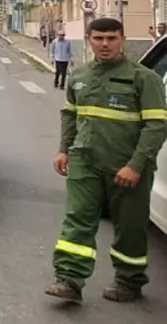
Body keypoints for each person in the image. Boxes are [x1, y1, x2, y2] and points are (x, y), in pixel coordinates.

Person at [44, 17, 167, 303]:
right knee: (77, 220)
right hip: (85, 161)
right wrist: (64, 149)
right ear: (89, 39)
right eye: (99, 38)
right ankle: (69, 280)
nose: (105, 44)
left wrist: (136, 165)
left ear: (122, 39)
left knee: (130, 227)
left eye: (112, 38)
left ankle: (129, 280)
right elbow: (70, 115)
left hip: (127, 166)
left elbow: (156, 126)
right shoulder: (79, 76)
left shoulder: (144, 79)